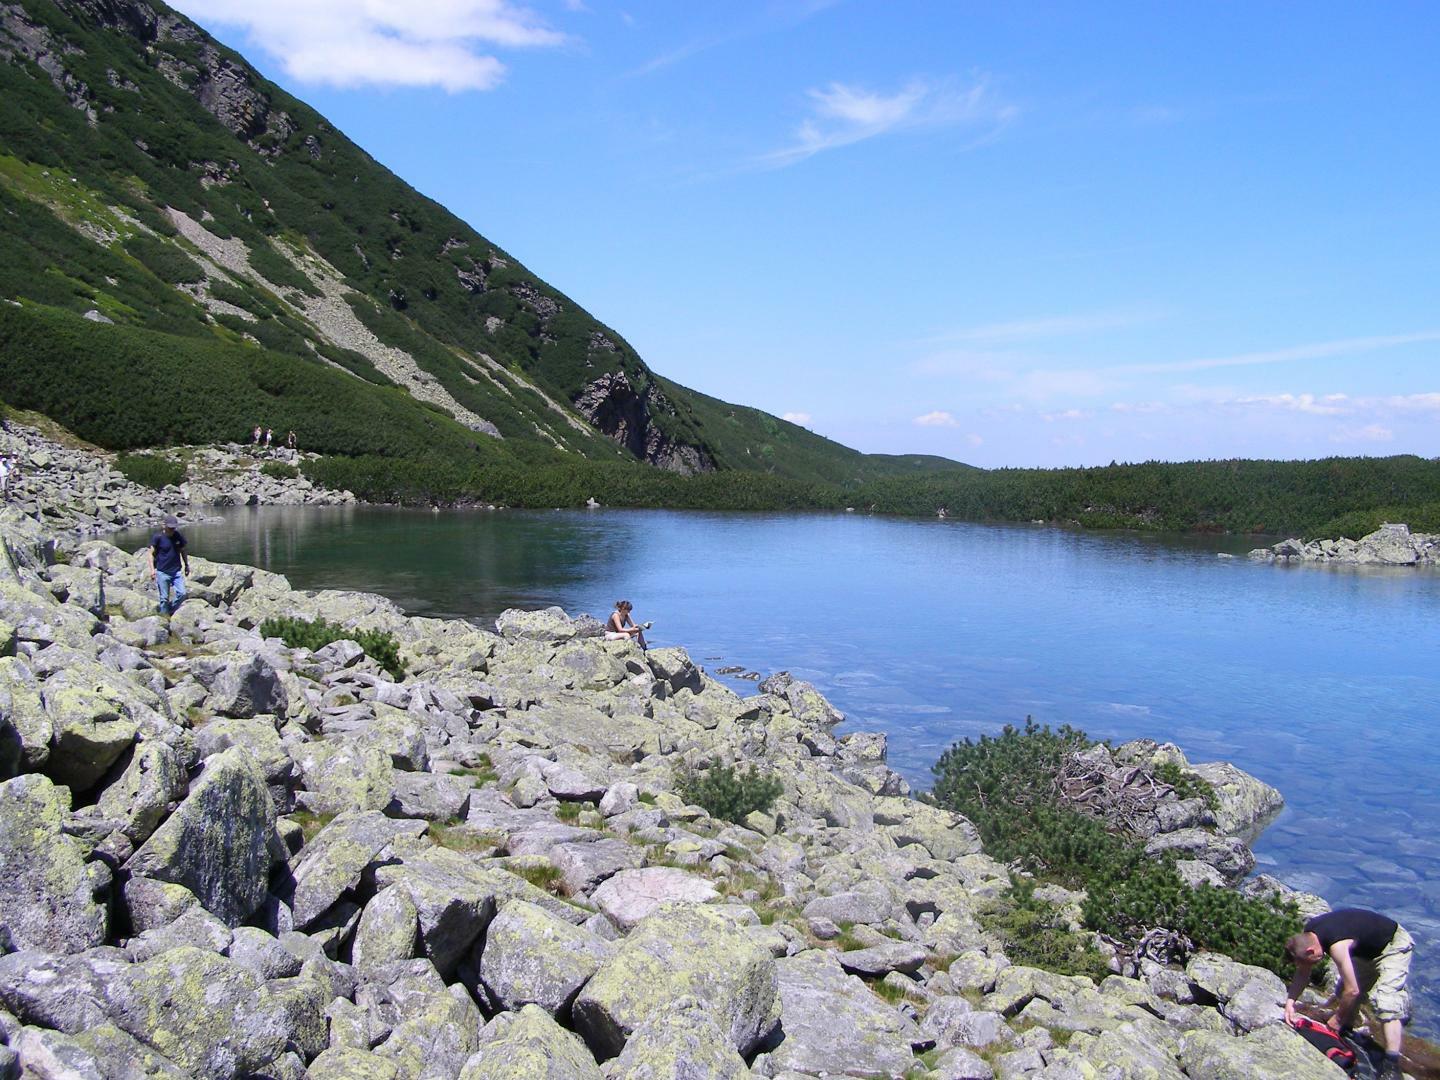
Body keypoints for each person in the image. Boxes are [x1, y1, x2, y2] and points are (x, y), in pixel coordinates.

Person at [1286, 907, 1413, 1078]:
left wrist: (1337, 1019)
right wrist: (1290, 1003)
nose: (1310, 966)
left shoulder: (1337, 945)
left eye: (1308, 961)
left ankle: (1391, 1064)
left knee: (1386, 1001)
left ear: (1311, 951)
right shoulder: (1309, 934)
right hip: (1367, 953)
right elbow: (1303, 973)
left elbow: (1352, 990)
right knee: (1342, 993)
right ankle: (1347, 1031)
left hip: (1392, 946)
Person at [146, 514, 191, 616]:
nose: (172, 530)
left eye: (173, 528)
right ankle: (163, 616)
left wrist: (187, 565)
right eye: (170, 528)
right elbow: (150, 553)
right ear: (164, 526)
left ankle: (171, 610)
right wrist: (152, 570)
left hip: (176, 571)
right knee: (164, 598)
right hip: (162, 571)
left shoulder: (178, 536)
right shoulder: (158, 537)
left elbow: (183, 550)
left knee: (182, 593)